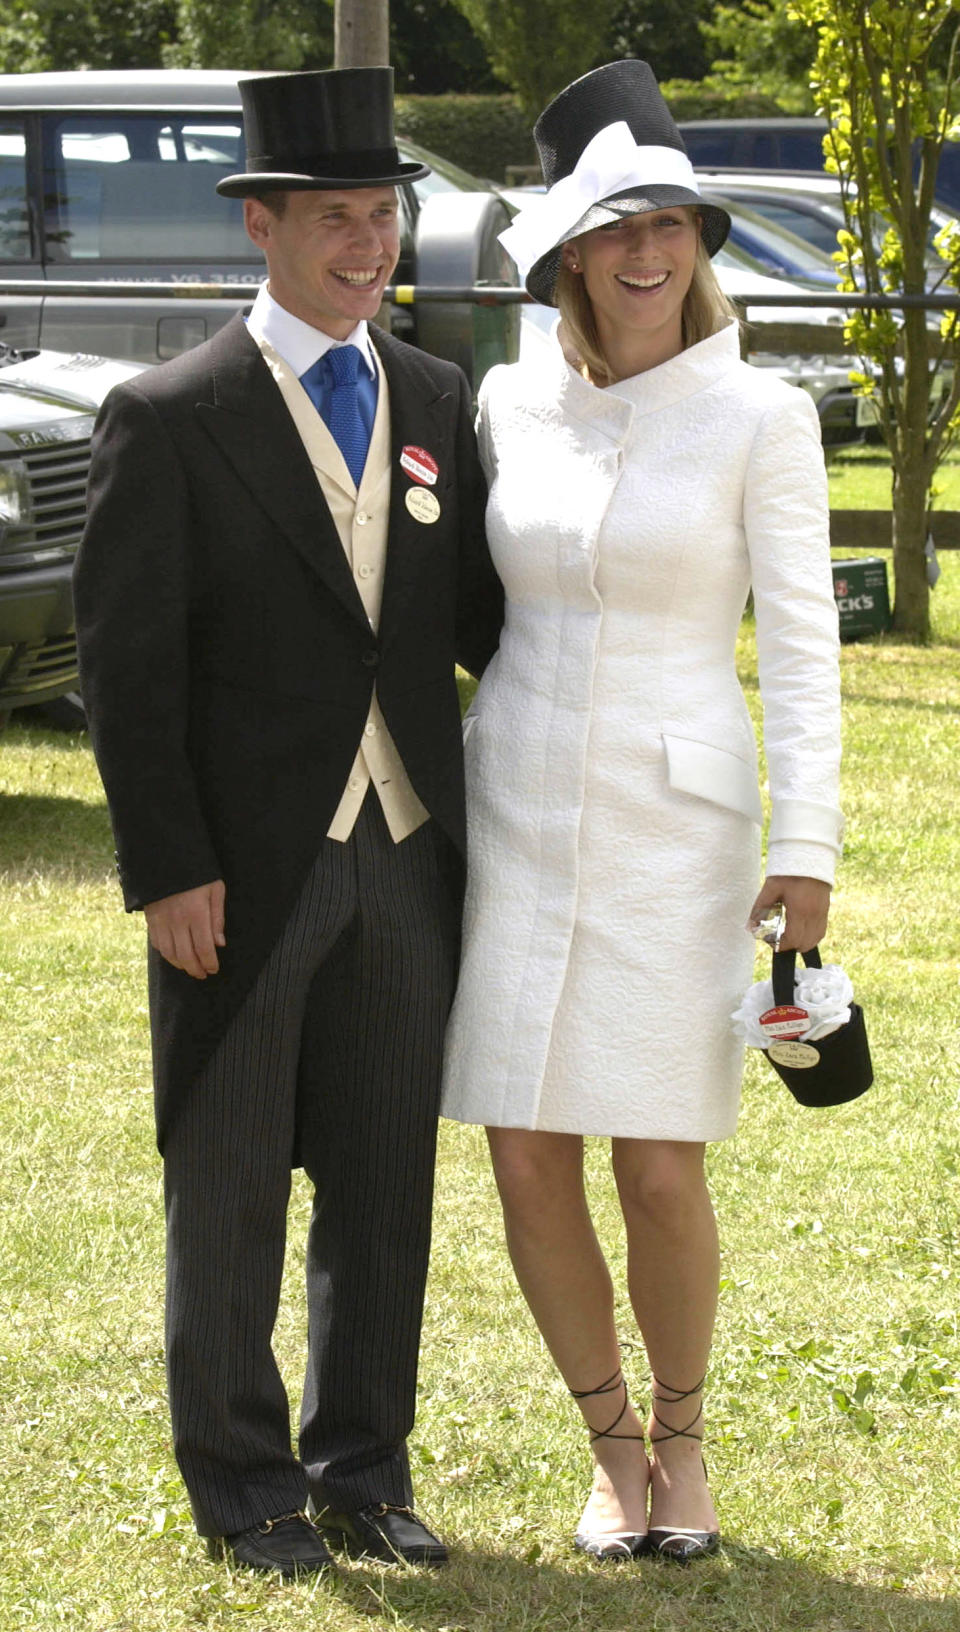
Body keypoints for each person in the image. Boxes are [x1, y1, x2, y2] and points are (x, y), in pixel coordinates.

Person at [74, 67, 502, 1579]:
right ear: (261, 224)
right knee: (234, 1185)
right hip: (243, 875)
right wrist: (169, 868)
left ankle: (361, 1473)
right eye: (335, 217)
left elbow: (485, 626)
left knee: (385, 1190)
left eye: (383, 215)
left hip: (406, 858)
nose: (368, 244)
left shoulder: (442, 401)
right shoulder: (167, 415)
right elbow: (126, 676)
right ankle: (244, 1488)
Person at [442, 59, 843, 1565]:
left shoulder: (762, 415)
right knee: (524, 1151)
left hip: (682, 833)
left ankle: (684, 1440)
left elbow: (803, 650)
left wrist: (808, 850)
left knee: (658, 1162)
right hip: (518, 819)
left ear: (702, 242)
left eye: (672, 222)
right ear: (567, 254)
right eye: (617, 228)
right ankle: (609, 1445)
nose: (648, 252)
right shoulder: (503, 398)